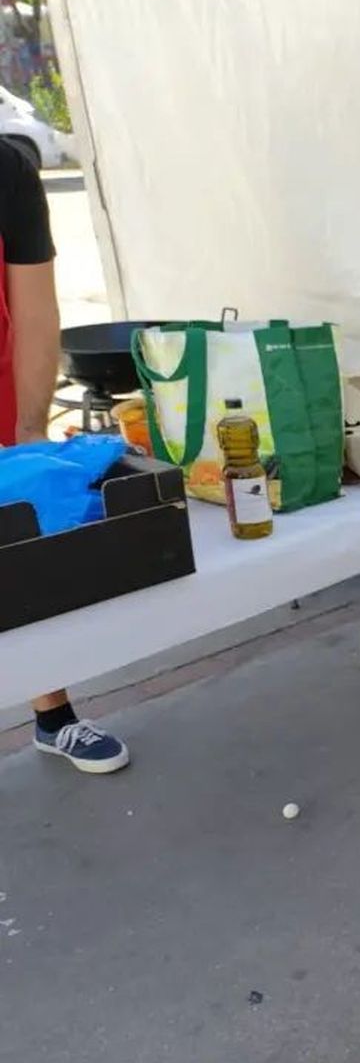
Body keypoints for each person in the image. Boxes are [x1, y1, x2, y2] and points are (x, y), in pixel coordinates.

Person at [1, 139, 131, 774]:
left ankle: (53, 716)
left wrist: (29, 426)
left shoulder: (6, 168)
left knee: (20, 559)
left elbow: (33, 309)